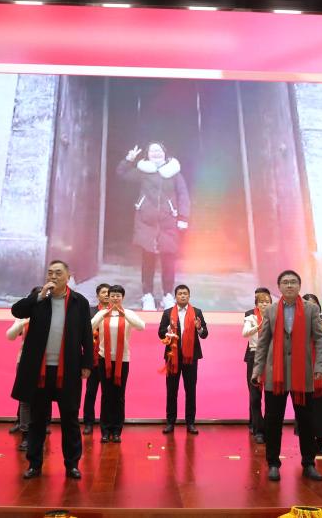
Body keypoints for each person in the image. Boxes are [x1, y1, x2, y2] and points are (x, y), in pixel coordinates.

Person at [10, 260, 94, 480]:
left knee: (70, 419)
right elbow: (17, 311)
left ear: (68, 277)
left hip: (69, 370)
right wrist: (37, 296)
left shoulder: (79, 302)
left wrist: (87, 364)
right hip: (40, 371)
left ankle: (72, 464)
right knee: (37, 419)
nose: (53, 277)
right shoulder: (39, 300)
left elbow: (87, 335)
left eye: (58, 273)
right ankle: (34, 464)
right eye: (50, 273)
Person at [252, 270, 322, 482]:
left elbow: (319, 339)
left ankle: (309, 463)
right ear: (279, 287)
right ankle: (273, 464)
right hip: (275, 373)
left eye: (293, 282)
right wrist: (257, 370)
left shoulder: (311, 309)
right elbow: (263, 343)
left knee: (306, 421)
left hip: (303, 373)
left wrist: (320, 365)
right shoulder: (271, 310)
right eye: (285, 282)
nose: (290, 285)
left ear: (299, 286)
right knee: (273, 421)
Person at [117, 142, 191, 311]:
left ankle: (168, 295)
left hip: (168, 222)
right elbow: (122, 174)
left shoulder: (174, 172)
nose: (156, 153)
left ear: (165, 153)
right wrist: (128, 159)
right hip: (146, 222)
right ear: (148, 154)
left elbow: (183, 195)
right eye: (152, 151)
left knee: (168, 260)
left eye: (159, 150)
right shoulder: (143, 171)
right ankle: (147, 295)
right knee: (148, 259)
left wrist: (183, 217)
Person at [91, 285, 145, 442]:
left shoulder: (128, 313)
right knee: (106, 395)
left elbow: (141, 327)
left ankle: (116, 431)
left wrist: (124, 314)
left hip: (123, 360)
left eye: (118, 296)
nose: (115, 298)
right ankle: (105, 430)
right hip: (104, 359)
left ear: (122, 297)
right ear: (108, 297)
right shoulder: (102, 313)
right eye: (112, 296)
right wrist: (103, 314)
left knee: (119, 396)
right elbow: (89, 327)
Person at [158, 284, 209, 433]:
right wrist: (168, 329)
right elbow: (160, 333)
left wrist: (199, 328)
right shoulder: (168, 313)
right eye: (180, 293)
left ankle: (190, 423)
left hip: (190, 357)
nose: (183, 296)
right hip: (172, 357)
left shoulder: (197, 312)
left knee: (190, 390)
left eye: (185, 293)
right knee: (171, 391)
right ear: (175, 296)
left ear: (189, 296)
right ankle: (170, 422)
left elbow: (205, 334)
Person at [242, 287, 273, 443]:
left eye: (267, 302)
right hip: (254, 356)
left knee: (270, 395)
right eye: (261, 302)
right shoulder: (251, 317)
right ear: (256, 304)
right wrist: (258, 327)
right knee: (255, 396)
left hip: (272, 357)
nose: (264, 304)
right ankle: (258, 430)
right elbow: (245, 333)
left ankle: (268, 428)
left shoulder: (275, 316)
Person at [83, 283, 110, 436]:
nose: (106, 295)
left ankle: (106, 424)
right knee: (90, 392)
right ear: (98, 295)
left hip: (109, 359)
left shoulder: (115, 312)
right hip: (93, 358)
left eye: (108, 292)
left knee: (108, 394)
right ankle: (88, 423)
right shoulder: (90, 311)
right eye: (103, 292)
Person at [5, 313, 32, 451]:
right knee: (25, 400)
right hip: (24, 361)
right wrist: (23, 322)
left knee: (42, 400)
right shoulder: (24, 317)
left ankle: (39, 433)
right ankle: (25, 435)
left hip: (46, 362)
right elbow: (10, 336)